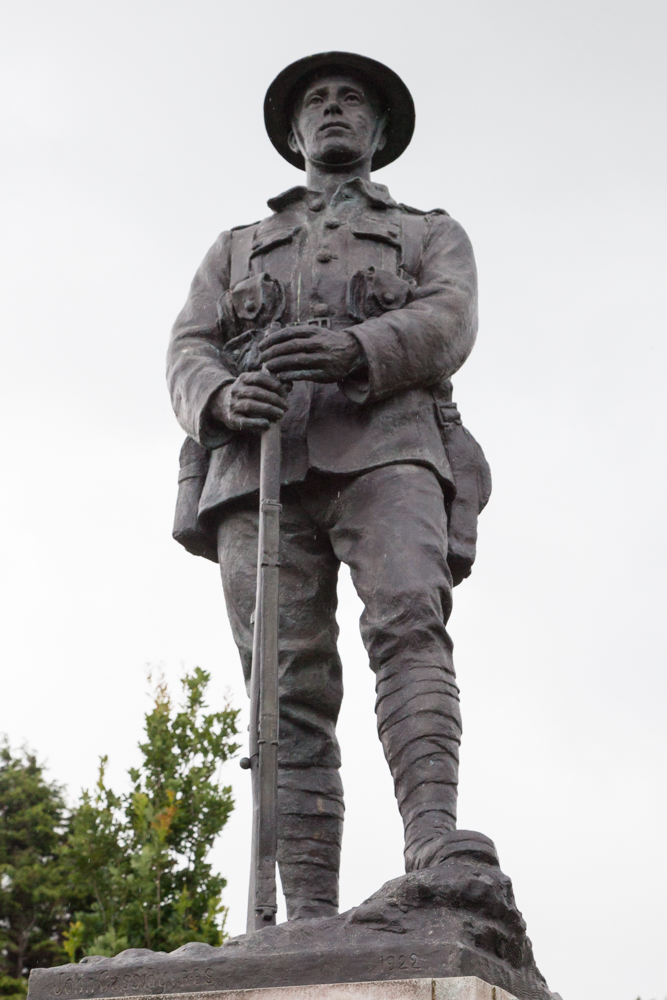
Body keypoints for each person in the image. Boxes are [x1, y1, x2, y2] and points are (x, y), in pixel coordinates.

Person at [167, 51, 490, 922]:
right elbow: (189, 347)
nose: (335, 110)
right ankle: (307, 913)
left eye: (354, 101)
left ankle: (431, 836)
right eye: (318, 101)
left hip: (386, 446)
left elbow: (447, 317)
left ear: (381, 132)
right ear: (293, 133)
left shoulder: (429, 232)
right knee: (282, 687)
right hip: (255, 469)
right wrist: (224, 395)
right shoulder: (234, 247)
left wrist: (358, 350)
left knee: (408, 624)